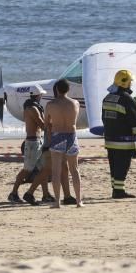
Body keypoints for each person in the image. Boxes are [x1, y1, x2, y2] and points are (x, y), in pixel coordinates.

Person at [101, 69, 136, 199]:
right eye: (130, 82)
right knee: (123, 165)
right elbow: (135, 121)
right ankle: (119, 191)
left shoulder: (107, 97)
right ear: (126, 83)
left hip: (109, 139)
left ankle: (116, 188)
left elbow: (104, 118)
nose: (131, 84)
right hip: (123, 141)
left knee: (114, 165)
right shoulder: (127, 99)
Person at [9, 85, 51, 204]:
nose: (41, 96)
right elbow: (42, 125)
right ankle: (13, 193)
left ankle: (46, 194)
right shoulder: (33, 108)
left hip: (36, 141)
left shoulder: (32, 106)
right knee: (27, 170)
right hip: (33, 142)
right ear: (37, 95)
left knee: (42, 169)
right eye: (41, 95)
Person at [46, 79, 82, 208]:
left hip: (57, 135)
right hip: (71, 136)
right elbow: (75, 121)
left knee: (56, 171)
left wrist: (50, 137)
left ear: (56, 90)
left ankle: (57, 202)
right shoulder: (75, 103)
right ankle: (79, 201)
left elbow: (47, 124)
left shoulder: (50, 104)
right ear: (68, 89)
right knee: (75, 170)